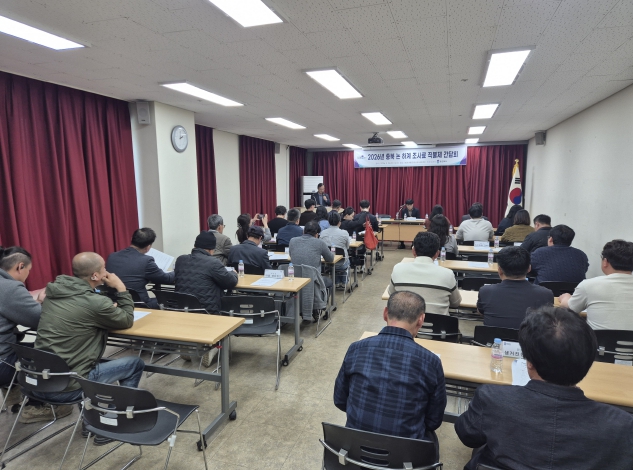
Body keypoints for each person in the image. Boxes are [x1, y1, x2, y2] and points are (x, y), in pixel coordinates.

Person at [455, 306, 633, 469]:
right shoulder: (621, 426)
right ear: (589, 360)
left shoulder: (493, 399)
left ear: (529, 362)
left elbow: (467, 435)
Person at [34, 253, 144, 419]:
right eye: (104, 268)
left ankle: (91, 421)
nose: (107, 272)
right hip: (66, 387)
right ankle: (114, 419)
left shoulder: (53, 293)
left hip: (39, 381)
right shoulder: (95, 303)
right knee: (134, 364)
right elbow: (127, 320)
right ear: (95, 275)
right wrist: (121, 288)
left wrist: (105, 308)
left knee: (85, 361)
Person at [334, 291, 446, 441]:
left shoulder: (356, 349)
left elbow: (340, 400)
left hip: (355, 447)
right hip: (406, 453)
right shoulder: (431, 362)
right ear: (421, 320)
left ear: (385, 313)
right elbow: (434, 420)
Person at [0, 246, 49, 422]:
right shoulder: (9, 287)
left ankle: (13, 396)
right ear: (20, 267)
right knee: (50, 352)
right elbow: (40, 320)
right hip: (2, 363)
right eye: (29, 270)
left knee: (22, 344)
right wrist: (43, 302)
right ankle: (36, 406)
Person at [560, 239, 633, 330]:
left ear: (605, 262)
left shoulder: (589, 285)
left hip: (598, 339)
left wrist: (565, 297)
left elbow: (569, 309)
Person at [477, 247, 553, 329]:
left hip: (493, 337)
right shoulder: (546, 294)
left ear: (499, 270)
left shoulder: (485, 291)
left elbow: (481, 312)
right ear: (529, 268)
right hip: (529, 337)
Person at [388, 232, 461, 315]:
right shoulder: (448, 274)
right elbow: (456, 303)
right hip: (438, 323)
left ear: (413, 251)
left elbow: (391, 294)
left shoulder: (398, 269)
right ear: (437, 254)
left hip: (406, 321)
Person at [106, 228, 175, 308]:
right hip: (139, 304)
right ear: (148, 247)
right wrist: (177, 270)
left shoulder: (112, 256)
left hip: (114, 302)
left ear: (131, 239)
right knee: (172, 300)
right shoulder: (146, 261)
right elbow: (167, 279)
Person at [175, 232, 238, 314]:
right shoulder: (213, 263)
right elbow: (231, 282)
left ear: (195, 246)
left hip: (182, 310)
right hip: (207, 312)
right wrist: (233, 273)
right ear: (211, 250)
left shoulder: (180, 260)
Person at [288, 221, 334, 287]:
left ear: (303, 231)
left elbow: (291, 255)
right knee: (329, 281)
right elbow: (330, 259)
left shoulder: (292, 241)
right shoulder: (320, 243)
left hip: (295, 278)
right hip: (314, 279)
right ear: (316, 234)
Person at [320, 212, 351, 288]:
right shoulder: (344, 233)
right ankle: (344, 282)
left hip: (327, 263)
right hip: (342, 263)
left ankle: (336, 282)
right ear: (339, 222)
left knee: (334, 263)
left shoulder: (323, 233)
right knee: (345, 260)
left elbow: (321, 248)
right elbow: (347, 247)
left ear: (328, 222)